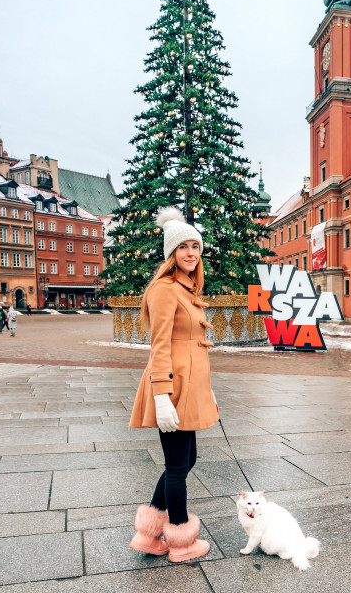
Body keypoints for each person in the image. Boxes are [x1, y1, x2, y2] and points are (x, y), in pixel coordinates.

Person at [129, 207, 218, 563]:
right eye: (183, 247)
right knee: (179, 466)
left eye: (195, 247)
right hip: (173, 388)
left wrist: (207, 391)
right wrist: (162, 396)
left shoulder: (187, 289)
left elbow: (194, 349)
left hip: (189, 388)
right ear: (171, 254)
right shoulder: (165, 289)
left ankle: (150, 535)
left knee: (185, 460)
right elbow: (161, 346)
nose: (191, 253)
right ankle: (181, 542)